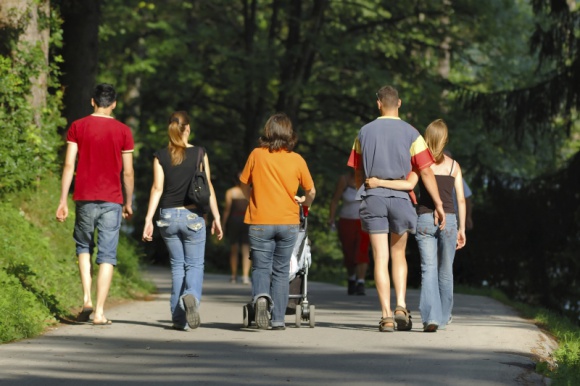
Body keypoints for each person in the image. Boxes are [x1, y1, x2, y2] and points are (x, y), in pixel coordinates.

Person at [347, 85, 445, 332]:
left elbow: (357, 170)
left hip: (374, 197)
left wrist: (363, 194)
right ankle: (401, 305)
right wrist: (439, 204)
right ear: (399, 103)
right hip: (402, 199)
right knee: (398, 255)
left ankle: (386, 316)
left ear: (378, 103)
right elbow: (425, 171)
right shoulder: (412, 134)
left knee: (380, 258)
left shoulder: (363, 132)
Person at [366, 119, 467, 332]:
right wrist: (462, 228)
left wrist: (378, 182)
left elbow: (409, 184)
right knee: (446, 270)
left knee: (428, 269)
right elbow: (461, 200)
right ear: (445, 139)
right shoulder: (454, 166)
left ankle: (430, 317)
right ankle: (444, 315)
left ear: (426, 139)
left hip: (424, 219)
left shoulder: (420, 164)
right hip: (448, 220)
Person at [55, 83, 134, 326]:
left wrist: (62, 200)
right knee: (108, 254)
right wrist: (128, 202)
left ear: (92, 101)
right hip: (112, 199)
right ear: (114, 104)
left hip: (84, 197)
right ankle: (99, 312)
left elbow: (69, 165)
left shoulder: (78, 126)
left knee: (83, 247)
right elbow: (128, 173)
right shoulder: (123, 131)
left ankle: (87, 299)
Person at [142, 111, 223, 331]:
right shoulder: (199, 153)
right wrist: (216, 216)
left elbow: (157, 189)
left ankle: (179, 319)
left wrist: (148, 219)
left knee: (178, 267)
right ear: (187, 128)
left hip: (167, 216)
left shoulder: (160, 155)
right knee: (194, 264)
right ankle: (191, 298)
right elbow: (208, 187)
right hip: (192, 216)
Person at [239, 113, 316, 330]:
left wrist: (252, 199)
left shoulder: (256, 155)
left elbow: (244, 184)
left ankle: (262, 298)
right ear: (289, 134)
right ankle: (278, 319)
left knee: (261, 267)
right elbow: (311, 191)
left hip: (260, 220)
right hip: (288, 222)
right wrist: (304, 201)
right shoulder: (297, 159)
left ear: (268, 131)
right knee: (282, 270)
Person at [328, 168, 370, 295]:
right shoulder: (344, 180)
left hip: (364, 221)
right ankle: (352, 278)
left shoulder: (369, 180)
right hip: (347, 221)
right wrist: (331, 218)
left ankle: (361, 282)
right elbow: (335, 200)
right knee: (349, 253)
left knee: (362, 252)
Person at [222, 172, 251, 284]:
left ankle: (234, 275)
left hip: (234, 220)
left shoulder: (230, 192)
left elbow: (227, 210)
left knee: (234, 248)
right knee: (246, 249)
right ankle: (245, 276)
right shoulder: (249, 191)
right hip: (247, 221)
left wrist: (223, 224)